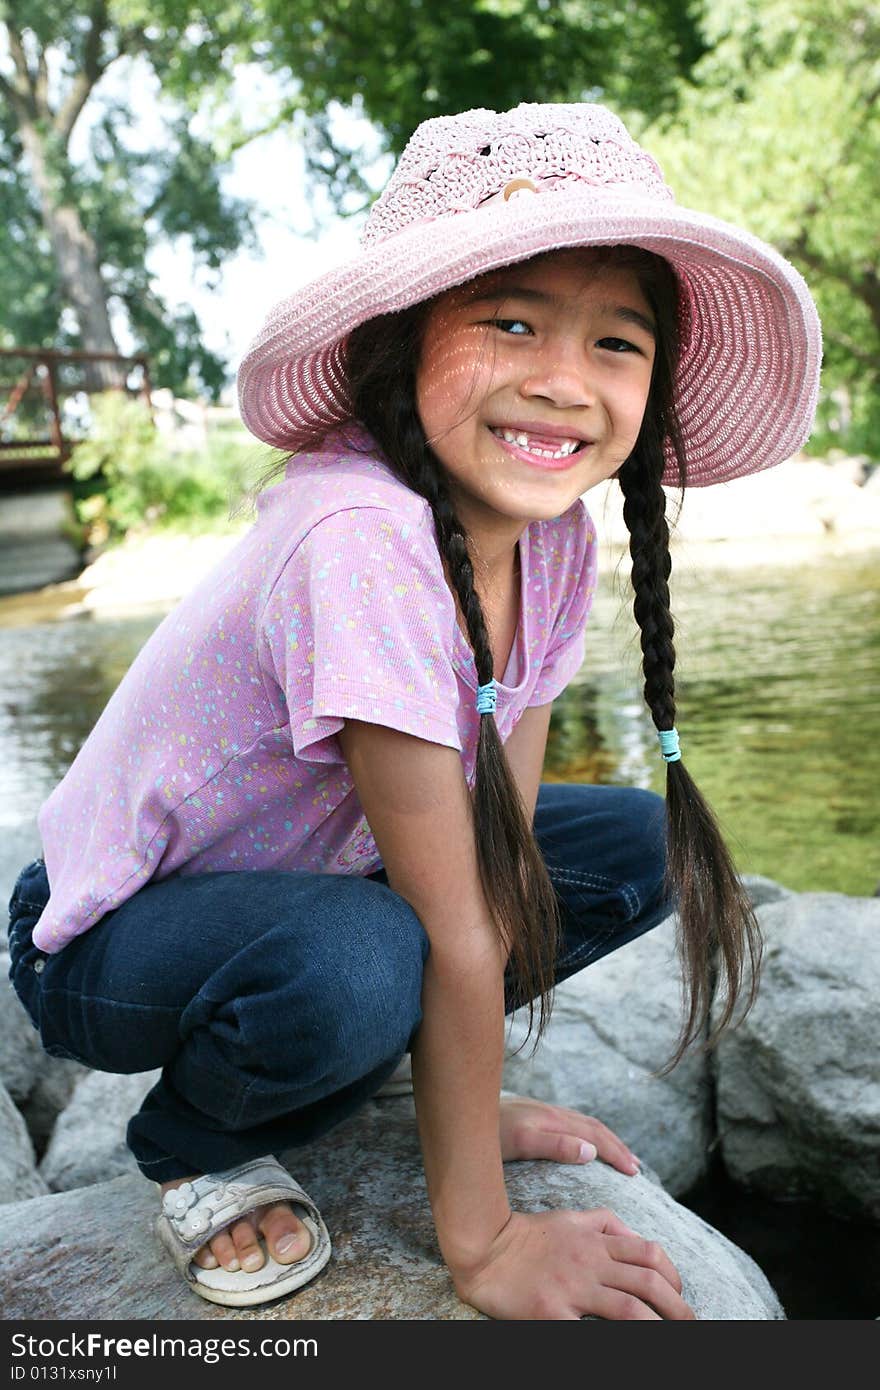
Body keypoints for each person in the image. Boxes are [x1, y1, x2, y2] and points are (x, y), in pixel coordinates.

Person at [7, 102, 821, 1320]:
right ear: (401, 339)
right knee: (373, 955)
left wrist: (463, 1086)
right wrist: (483, 1243)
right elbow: (448, 924)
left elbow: (499, 854)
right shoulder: (358, 534)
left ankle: (387, 1066)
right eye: (511, 322)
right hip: (119, 933)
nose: (562, 382)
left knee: (618, 849)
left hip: (321, 886)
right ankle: (193, 1141)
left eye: (616, 342)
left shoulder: (546, 539)